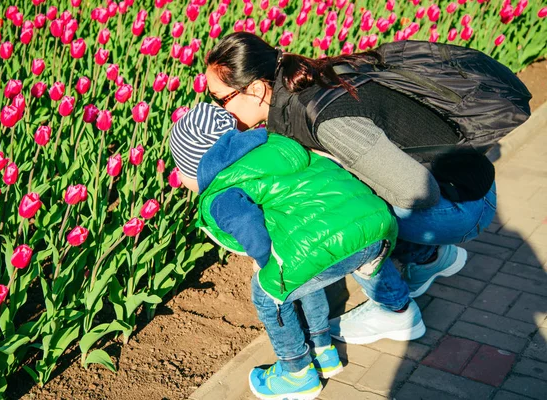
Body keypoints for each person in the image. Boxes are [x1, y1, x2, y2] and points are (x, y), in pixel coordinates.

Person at [204, 32, 497, 343]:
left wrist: (342, 171)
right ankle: (429, 258)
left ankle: (395, 312)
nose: (220, 111)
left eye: (221, 99)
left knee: (339, 209)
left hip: (462, 206)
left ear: (257, 89)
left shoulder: (326, 120)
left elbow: (417, 192)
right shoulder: (305, 83)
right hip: (464, 185)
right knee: (340, 190)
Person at [169, 102, 417, 400]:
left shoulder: (221, 192)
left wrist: (265, 261)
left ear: (199, 164)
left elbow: (245, 222)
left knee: (269, 291)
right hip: (376, 227)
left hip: (329, 243)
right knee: (302, 274)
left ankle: (296, 373)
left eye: (181, 168)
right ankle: (325, 350)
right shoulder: (277, 144)